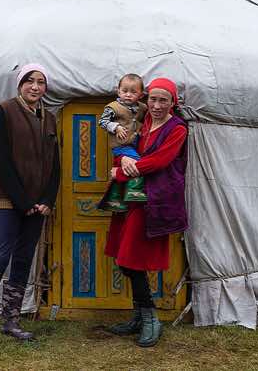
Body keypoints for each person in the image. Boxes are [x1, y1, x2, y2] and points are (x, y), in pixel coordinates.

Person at [0, 63, 60, 354]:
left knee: (23, 259)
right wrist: (23, 201)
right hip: (8, 199)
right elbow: (0, 159)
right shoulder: (5, 111)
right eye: (29, 81)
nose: (35, 87)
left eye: (40, 82)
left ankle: (11, 321)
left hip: (37, 203)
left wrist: (47, 199)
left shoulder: (50, 119)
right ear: (20, 85)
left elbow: (55, 164)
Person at [104, 77, 188, 347]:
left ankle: (151, 317)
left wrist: (124, 170)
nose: (157, 105)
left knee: (132, 259)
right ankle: (140, 316)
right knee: (123, 257)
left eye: (164, 100)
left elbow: (161, 160)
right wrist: (124, 158)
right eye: (153, 99)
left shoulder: (177, 128)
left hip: (154, 200)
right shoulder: (142, 120)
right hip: (131, 198)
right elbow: (124, 145)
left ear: (173, 102)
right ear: (145, 99)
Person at [98, 73, 148, 211]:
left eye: (133, 92)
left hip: (134, 144)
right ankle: (134, 190)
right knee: (138, 164)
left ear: (141, 95)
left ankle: (115, 197)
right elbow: (102, 122)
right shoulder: (113, 107)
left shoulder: (142, 108)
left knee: (124, 170)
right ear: (118, 91)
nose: (128, 95)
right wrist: (116, 127)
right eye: (124, 91)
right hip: (120, 145)